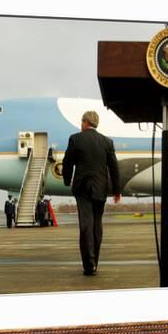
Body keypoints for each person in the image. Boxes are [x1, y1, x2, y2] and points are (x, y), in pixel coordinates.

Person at [62, 110, 121, 276]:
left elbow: (67, 162)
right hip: (101, 188)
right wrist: (117, 190)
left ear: (85, 122)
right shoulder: (107, 142)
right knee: (97, 224)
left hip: (82, 188)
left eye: (81, 123)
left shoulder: (76, 139)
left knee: (86, 224)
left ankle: (89, 265)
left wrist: (67, 180)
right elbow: (114, 168)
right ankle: (95, 261)